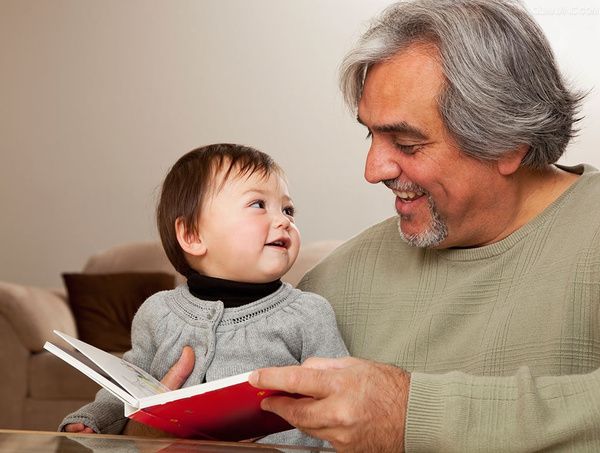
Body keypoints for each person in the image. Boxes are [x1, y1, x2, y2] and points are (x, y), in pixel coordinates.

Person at [244, 0, 600, 451]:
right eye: (370, 135)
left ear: (508, 143)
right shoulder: (336, 282)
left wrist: (409, 413)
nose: (373, 170)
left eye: (407, 143)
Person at [58, 143, 348, 447]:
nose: (284, 221)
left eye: (287, 209)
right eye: (258, 205)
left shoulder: (309, 313)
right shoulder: (157, 313)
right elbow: (127, 387)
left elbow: (339, 403)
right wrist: (93, 419)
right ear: (193, 236)